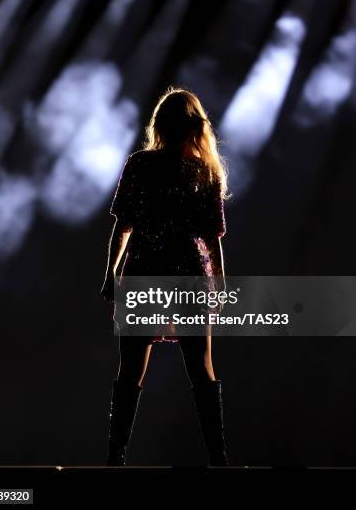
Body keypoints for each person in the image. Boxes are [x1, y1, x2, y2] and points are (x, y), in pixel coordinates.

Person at [100, 86, 230, 466]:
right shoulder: (200, 170)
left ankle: (116, 457)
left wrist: (112, 273)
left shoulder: (145, 165)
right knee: (198, 367)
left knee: (135, 368)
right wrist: (218, 282)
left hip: (148, 270)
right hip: (182, 272)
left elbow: (124, 227)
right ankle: (217, 458)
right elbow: (211, 237)